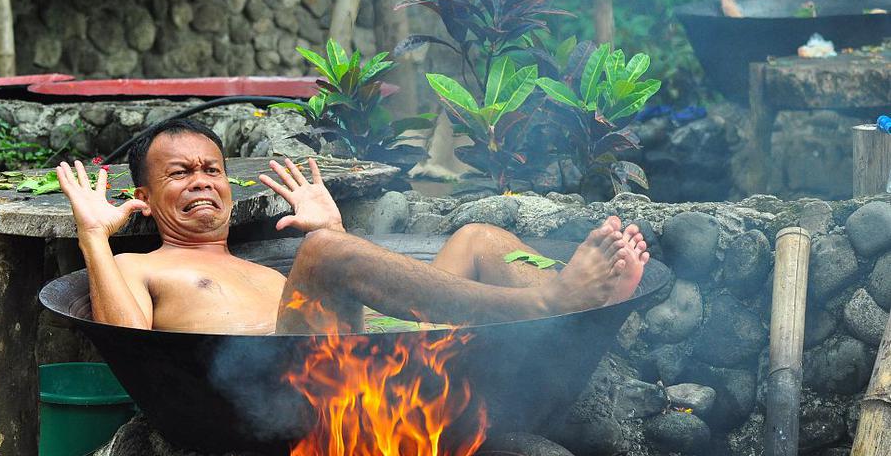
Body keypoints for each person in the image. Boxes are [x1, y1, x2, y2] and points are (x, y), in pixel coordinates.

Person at [57, 119, 649, 335]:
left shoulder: (253, 267)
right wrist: (94, 237)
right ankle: (548, 303)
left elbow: (350, 313)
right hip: (277, 381)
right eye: (180, 174)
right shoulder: (138, 267)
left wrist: (337, 231)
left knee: (477, 237)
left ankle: (581, 318)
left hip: (358, 345)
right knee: (320, 253)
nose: (202, 181)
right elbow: (125, 337)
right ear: (144, 197)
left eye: (212, 169)